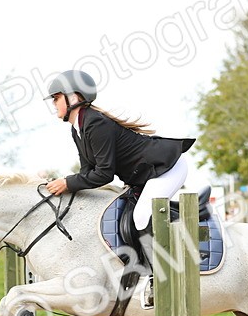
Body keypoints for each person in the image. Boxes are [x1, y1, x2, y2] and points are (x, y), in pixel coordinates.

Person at [43, 70, 195, 241]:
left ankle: (161, 266)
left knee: (141, 215)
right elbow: (87, 171)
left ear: (73, 98)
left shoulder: (96, 123)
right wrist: (64, 184)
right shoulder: (77, 129)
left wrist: (68, 183)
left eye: (56, 98)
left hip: (167, 167)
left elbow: (104, 174)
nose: (54, 103)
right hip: (146, 175)